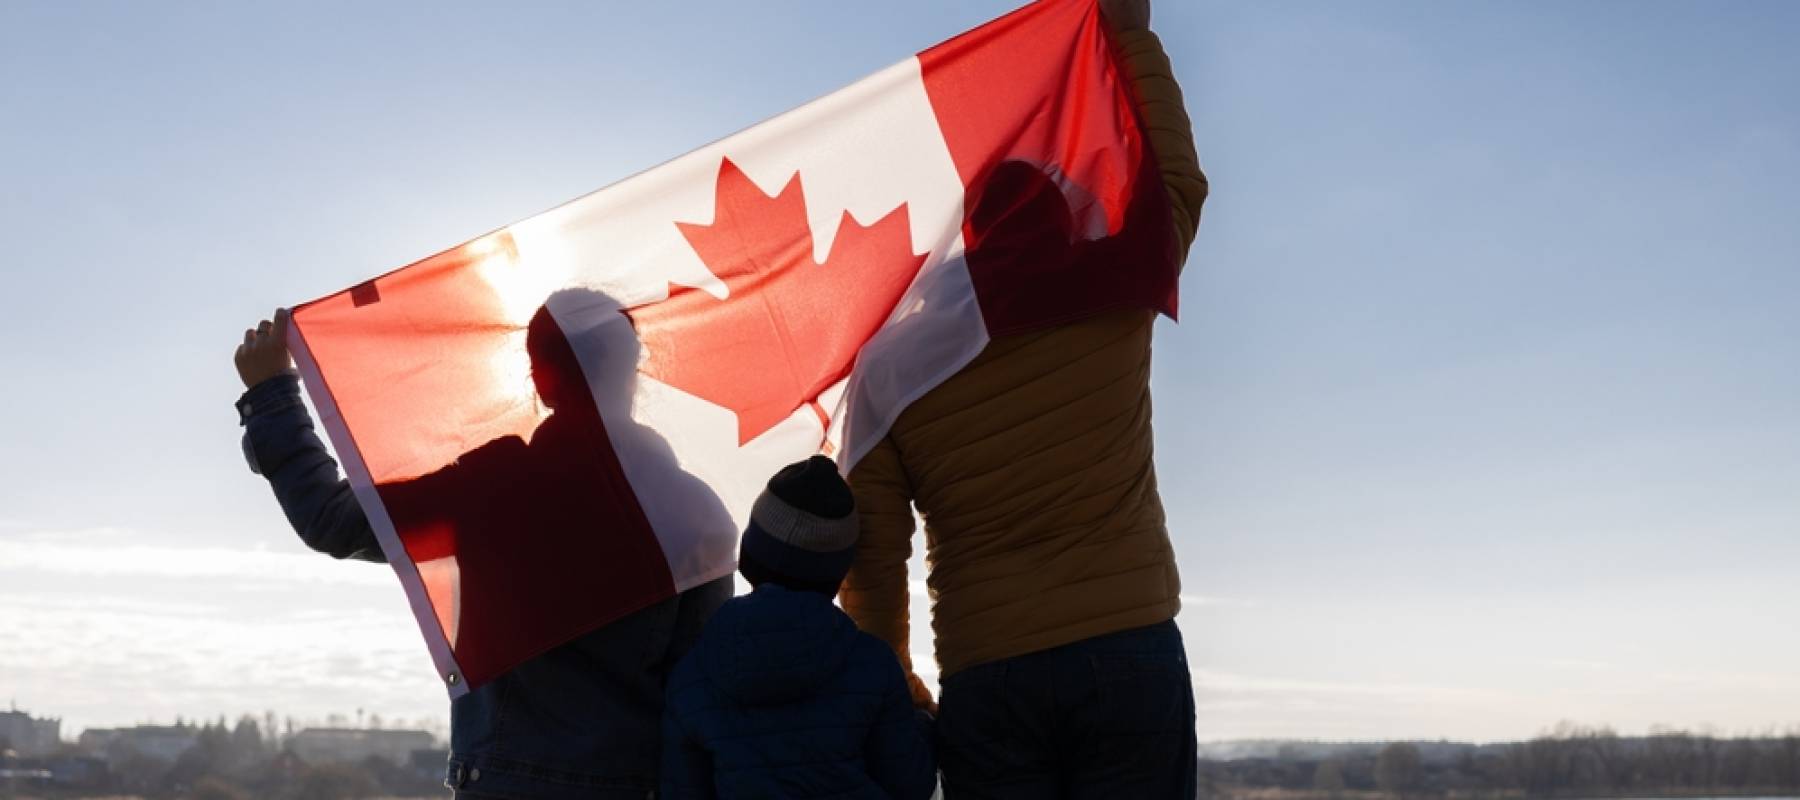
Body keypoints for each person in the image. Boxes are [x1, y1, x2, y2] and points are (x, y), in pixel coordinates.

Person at [837, 0, 1209, 797]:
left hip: (987, 671)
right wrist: (1128, 36)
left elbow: (874, 551)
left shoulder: (896, 364)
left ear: (968, 238)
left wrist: (894, 676)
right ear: (1065, 221)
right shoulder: (1115, 291)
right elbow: (1177, 181)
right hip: (1129, 645)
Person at [233, 301, 733, 799]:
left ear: (540, 379)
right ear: (633, 373)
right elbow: (703, 698)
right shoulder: (695, 512)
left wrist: (272, 394)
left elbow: (332, 520)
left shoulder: (493, 486)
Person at [660, 456, 936, 800]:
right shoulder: (873, 665)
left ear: (749, 556)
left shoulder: (693, 675)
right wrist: (922, 726)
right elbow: (911, 785)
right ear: (837, 576)